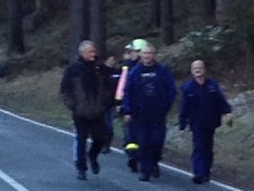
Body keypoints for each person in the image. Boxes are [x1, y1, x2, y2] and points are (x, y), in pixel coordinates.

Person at [120, 41, 177, 181]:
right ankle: (145, 170)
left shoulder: (162, 71)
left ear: (154, 55)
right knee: (143, 142)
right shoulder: (135, 72)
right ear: (141, 55)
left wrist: (165, 106)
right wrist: (127, 110)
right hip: (140, 114)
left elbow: (171, 90)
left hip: (158, 114)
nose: (147, 56)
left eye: (150, 53)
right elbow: (127, 92)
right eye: (145, 53)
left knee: (157, 141)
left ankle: (154, 162)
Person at [59, 39, 113, 178]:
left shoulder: (100, 68)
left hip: (98, 111)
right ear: (82, 53)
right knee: (81, 139)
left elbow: (109, 86)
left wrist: (105, 102)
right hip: (80, 112)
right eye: (90, 52)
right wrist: (73, 105)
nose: (93, 54)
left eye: (94, 51)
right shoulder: (73, 70)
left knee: (100, 138)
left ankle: (93, 156)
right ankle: (81, 168)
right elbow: (65, 90)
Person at [177, 59, 233, 185]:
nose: (198, 70)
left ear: (204, 69)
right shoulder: (188, 88)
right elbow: (184, 108)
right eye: (195, 68)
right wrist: (182, 125)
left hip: (211, 121)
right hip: (196, 123)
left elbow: (220, 101)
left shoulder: (212, 85)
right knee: (199, 146)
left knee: (208, 147)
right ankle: (198, 173)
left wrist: (227, 112)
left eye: (200, 67)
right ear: (192, 71)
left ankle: (206, 171)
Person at [117, 39, 145, 171]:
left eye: (132, 51)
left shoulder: (150, 67)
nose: (130, 54)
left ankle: (140, 157)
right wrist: (119, 103)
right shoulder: (127, 67)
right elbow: (122, 86)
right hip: (130, 106)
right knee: (130, 134)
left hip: (145, 107)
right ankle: (132, 156)